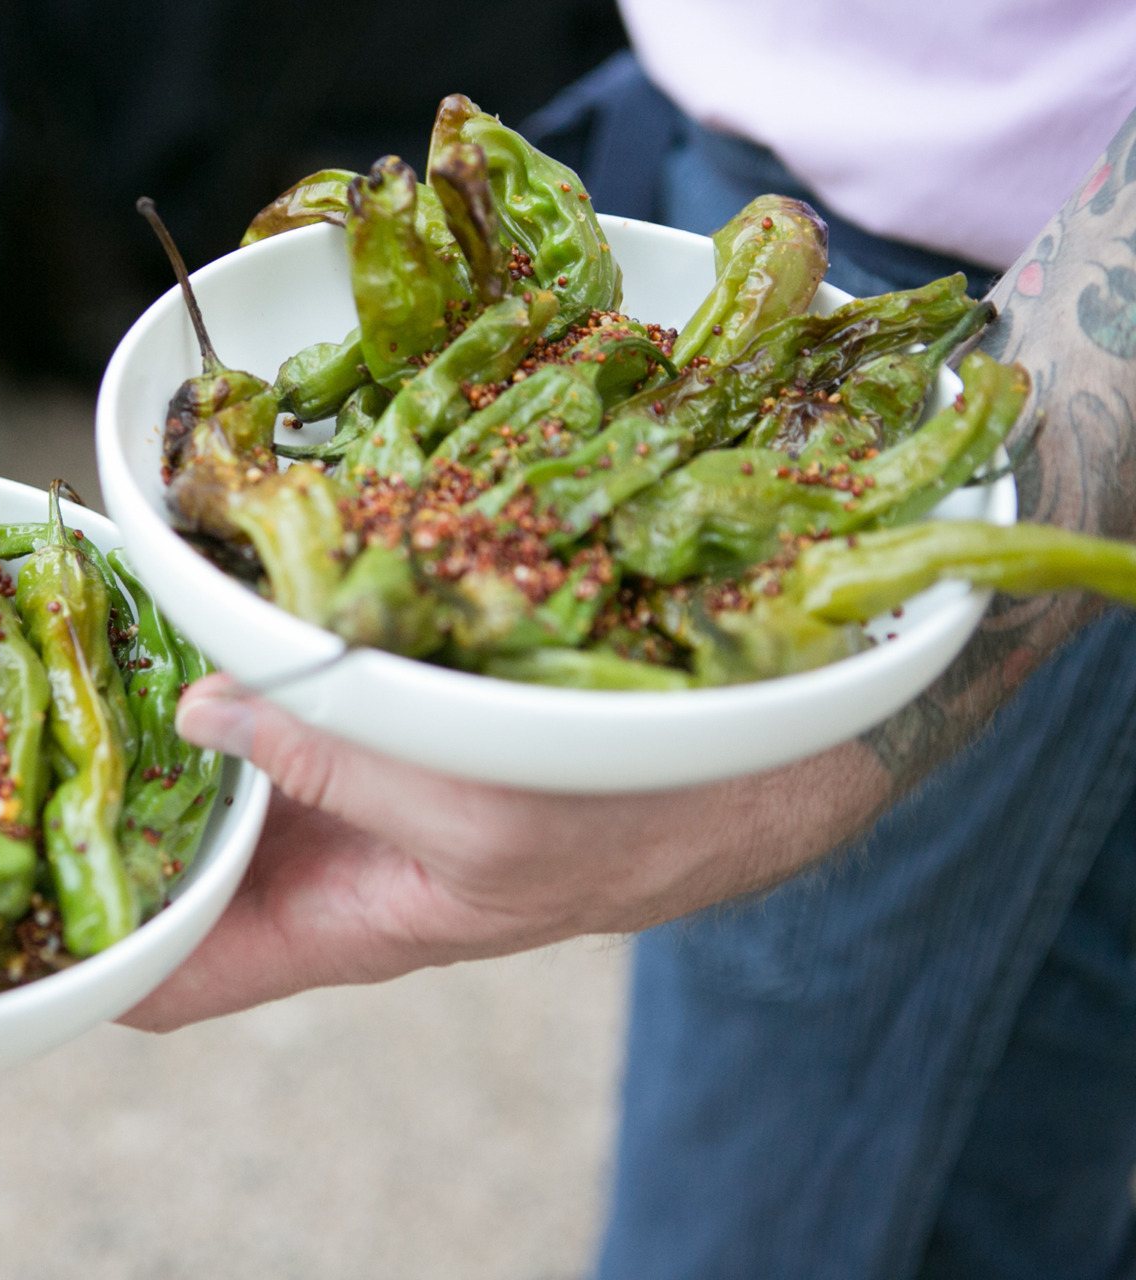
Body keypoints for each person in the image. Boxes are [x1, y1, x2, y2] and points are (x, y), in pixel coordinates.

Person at [126, 4, 1136, 1275]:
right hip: (760, 177)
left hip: (1030, 310)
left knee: (760, 1202)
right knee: (1043, 1143)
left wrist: (855, 731)